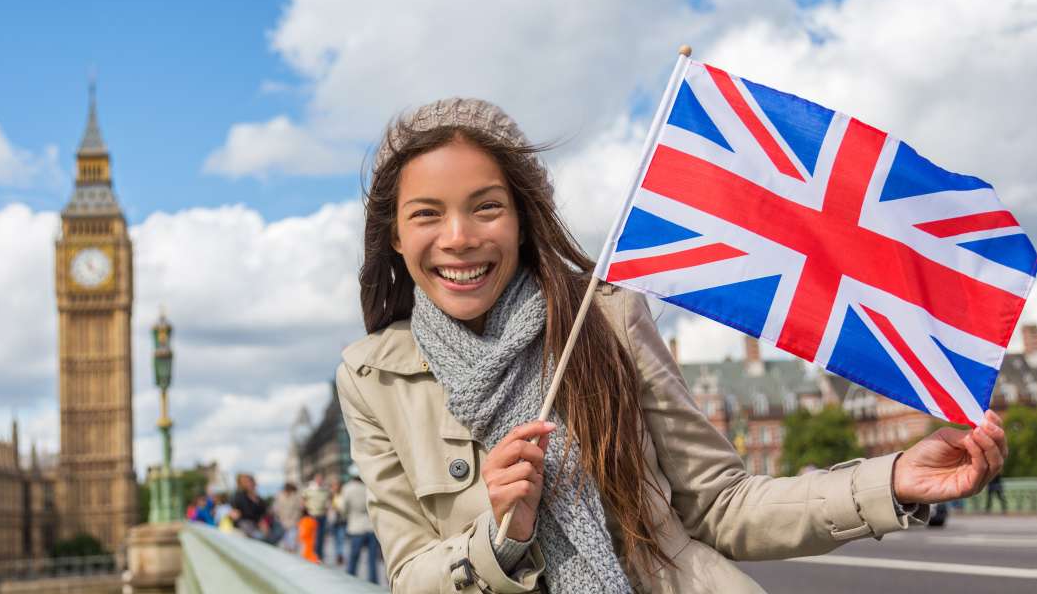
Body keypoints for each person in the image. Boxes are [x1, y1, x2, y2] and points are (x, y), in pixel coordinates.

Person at [335, 98, 1011, 593]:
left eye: (486, 206)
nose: (458, 237)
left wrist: (890, 481)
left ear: (521, 219)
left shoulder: (608, 320)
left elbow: (720, 505)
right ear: (394, 236)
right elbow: (406, 573)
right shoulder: (370, 377)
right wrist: (499, 534)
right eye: (426, 214)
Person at [342, 473, 381, 584]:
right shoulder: (368, 486)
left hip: (356, 527)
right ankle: (373, 584)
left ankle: (350, 582)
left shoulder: (347, 488)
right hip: (370, 527)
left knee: (354, 558)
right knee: (372, 560)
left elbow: (344, 508)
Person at [302, 473, 331, 561]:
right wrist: (306, 509)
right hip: (312, 515)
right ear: (315, 480)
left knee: (321, 537)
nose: (319, 481)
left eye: (321, 479)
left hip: (322, 515)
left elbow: (329, 500)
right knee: (313, 536)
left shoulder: (325, 490)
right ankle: (311, 553)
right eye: (318, 479)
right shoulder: (309, 489)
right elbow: (303, 500)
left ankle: (319, 555)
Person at [231, 473, 270, 539]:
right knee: (257, 536)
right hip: (245, 525)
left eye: (250, 482)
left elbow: (264, 514)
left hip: (256, 525)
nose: (249, 484)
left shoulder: (260, 500)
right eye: (246, 482)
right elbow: (235, 513)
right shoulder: (239, 497)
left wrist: (263, 523)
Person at [273, 482, 303, 552]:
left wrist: (296, 518)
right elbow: (276, 508)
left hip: (293, 521)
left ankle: (291, 551)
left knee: (292, 539)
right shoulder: (279, 495)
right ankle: (287, 552)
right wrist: (279, 517)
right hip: (282, 521)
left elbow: (299, 508)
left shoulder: (296, 496)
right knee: (284, 540)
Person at [328, 478, 347, 564]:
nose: (335, 487)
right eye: (333, 486)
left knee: (341, 538)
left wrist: (338, 508)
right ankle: (338, 554)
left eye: (336, 485)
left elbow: (344, 506)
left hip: (341, 520)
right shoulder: (331, 496)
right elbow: (328, 507)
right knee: (336, 539)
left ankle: (340, 554)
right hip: (333, 520)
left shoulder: (343, 495)